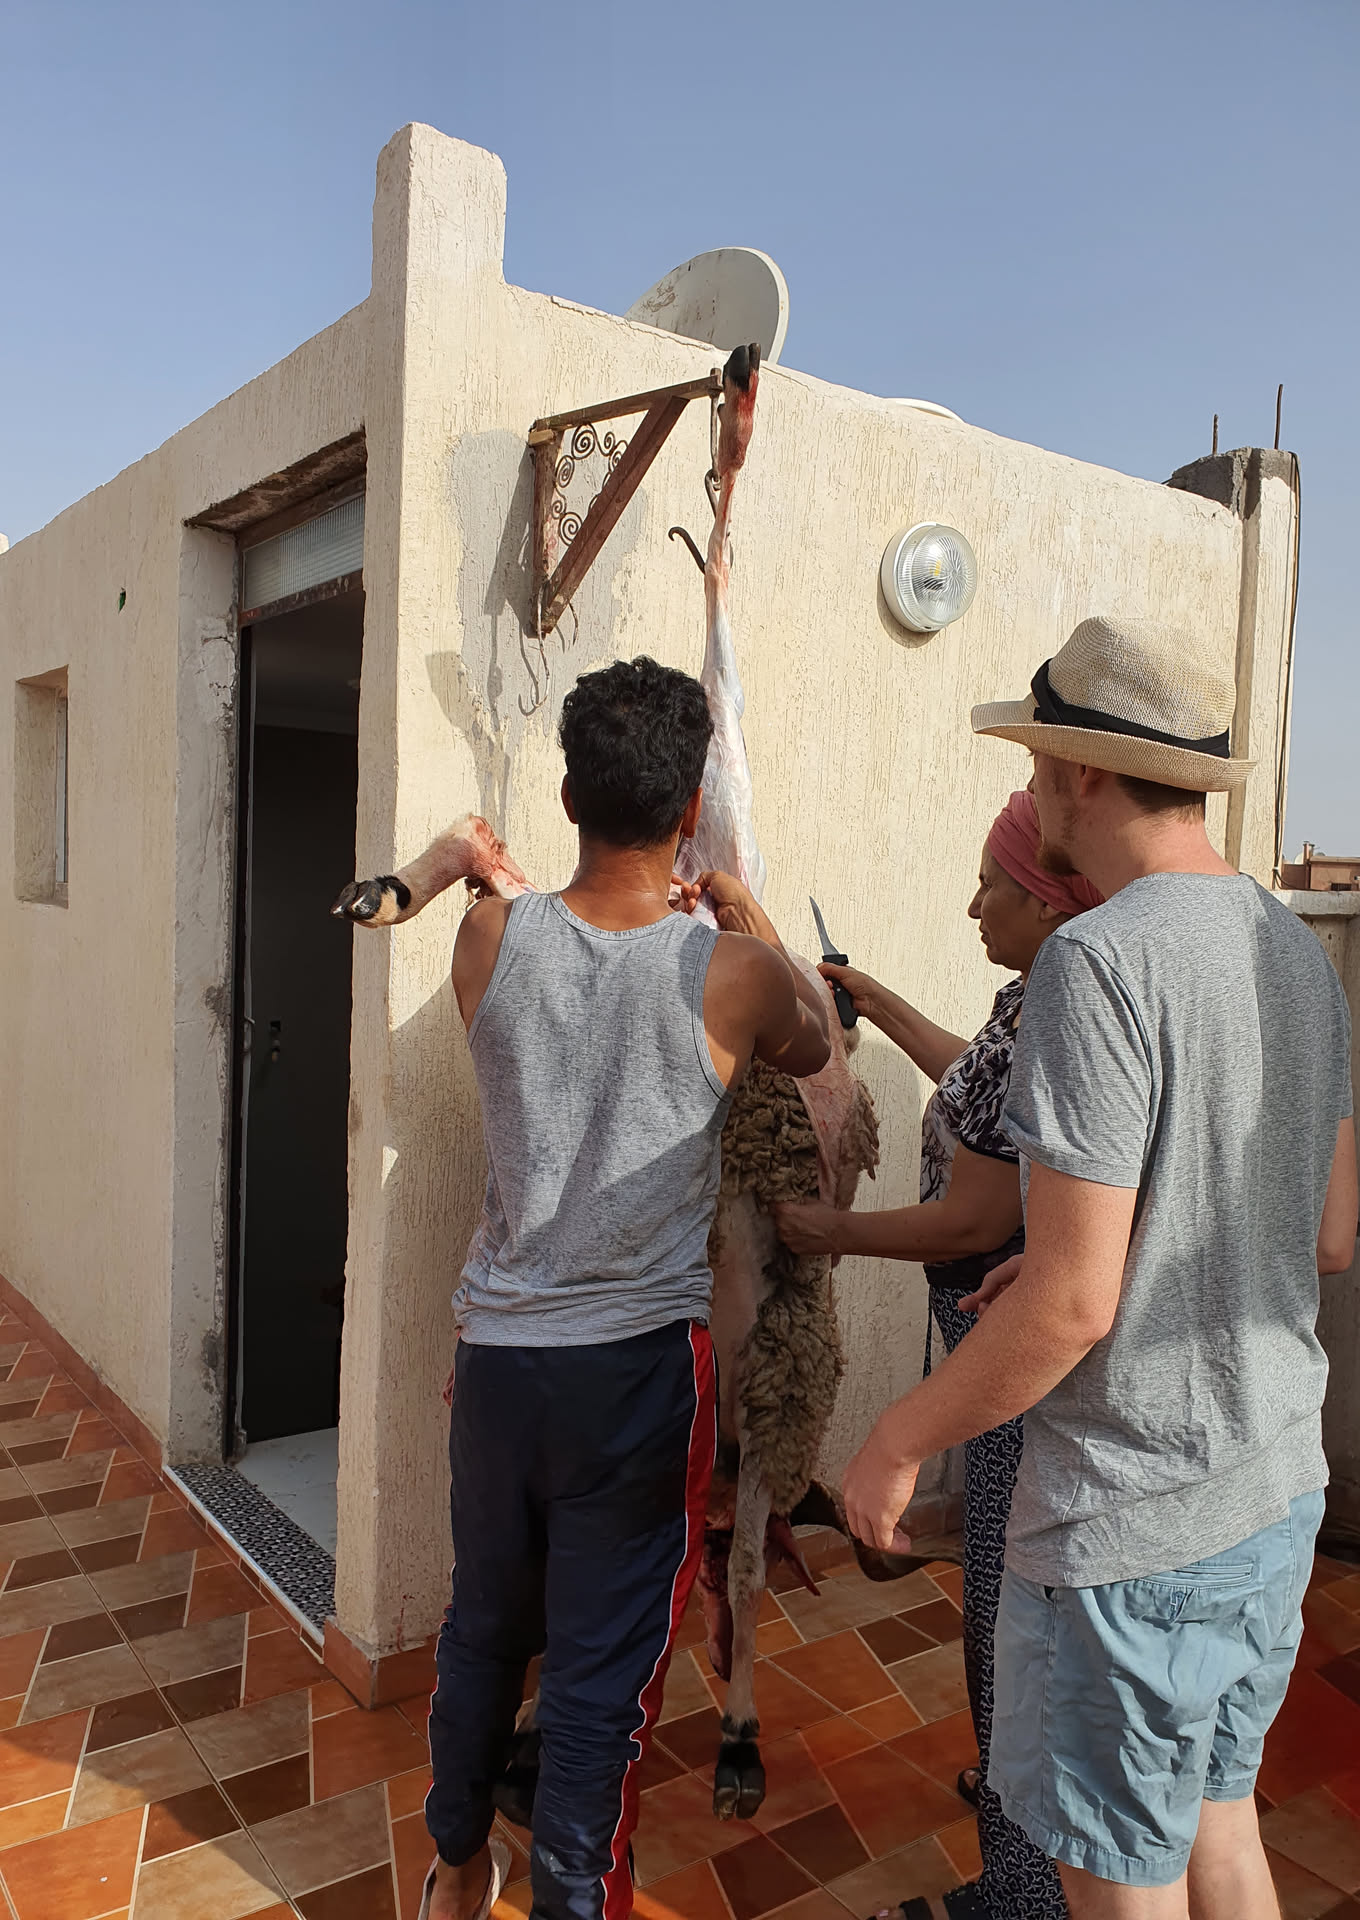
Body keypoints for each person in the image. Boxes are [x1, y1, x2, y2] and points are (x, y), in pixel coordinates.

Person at [842, 616, 1357, 1920]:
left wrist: (899, 1440)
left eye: (1033, 764)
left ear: (1080, 772)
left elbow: (1077, 1304)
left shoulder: (1097, 959)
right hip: (1274, 1488)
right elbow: (1323, 1235)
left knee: (1125, 1886)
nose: (1029, 790)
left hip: (1136, 1532)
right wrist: (1101, 1260)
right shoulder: (1294, 951)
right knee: (1222, 1839)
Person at [422, 656, 831, 1920]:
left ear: (567, 795)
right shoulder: (731, 974)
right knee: (602, 1681)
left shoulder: (490, 935)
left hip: (500, 1363)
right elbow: (817, 1040)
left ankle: (454, 1868)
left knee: (484, 1627)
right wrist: (740, 904)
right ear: (692, 807)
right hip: (638, 1377)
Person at [774, 789, 1101, 1919]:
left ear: (1048, 902)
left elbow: (974, 1217)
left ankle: (1020, 1885)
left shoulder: (1063, 1010)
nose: (972, 905)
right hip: (996, 1351)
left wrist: (832, 1232)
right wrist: (880, 1002)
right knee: (1008, 1603)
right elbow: (980, 1086)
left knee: (1006, 1613)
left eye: (990, 887)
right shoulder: (1034, 999)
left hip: (1008, 1360)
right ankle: (1015, 1797)